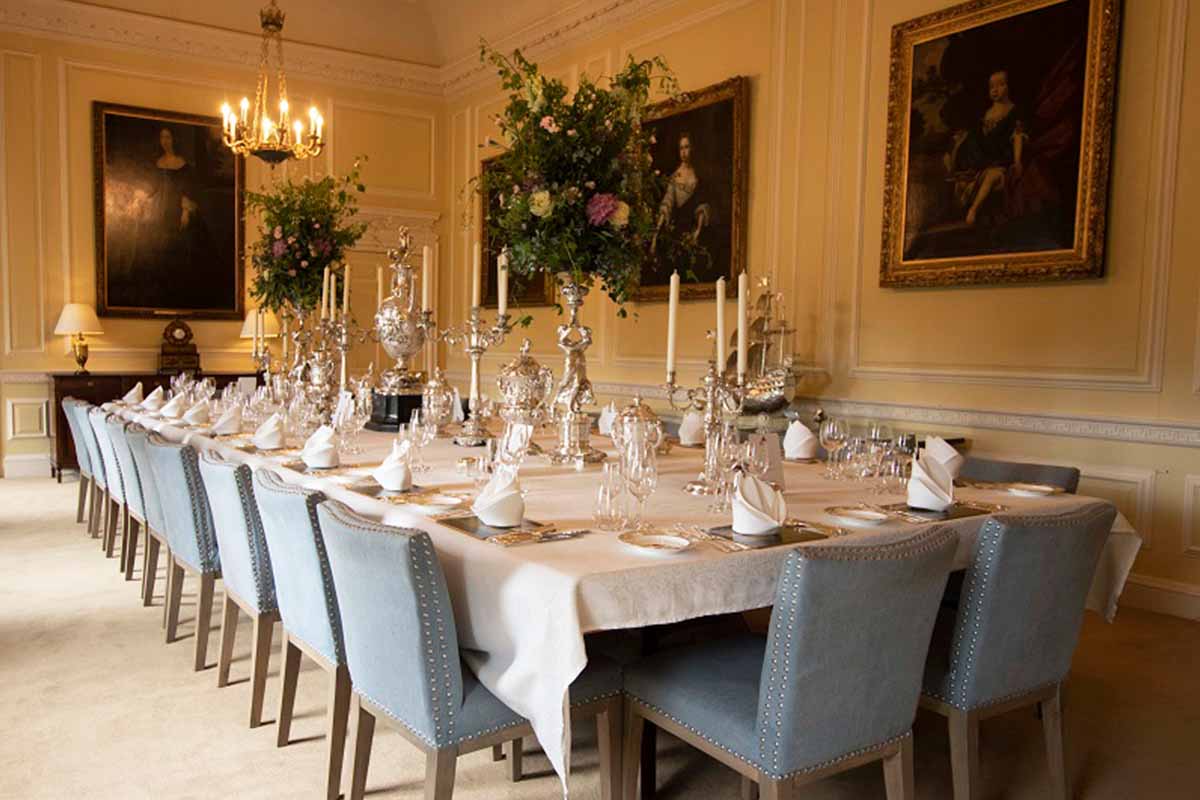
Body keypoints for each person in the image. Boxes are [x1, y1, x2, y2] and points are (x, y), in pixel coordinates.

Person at [946, 70, 1028, 226]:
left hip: (1002, 163)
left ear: (1009, 87)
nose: (995, 90)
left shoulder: (1015, 111)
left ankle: (974, 209)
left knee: (993, 176)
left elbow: (1018, 136)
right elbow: (977, 141)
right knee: (962, 183)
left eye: (1001, 85)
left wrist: (1017, 161)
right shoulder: (986, 114)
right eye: (992, 86)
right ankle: (967, 202)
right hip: (983, 163)